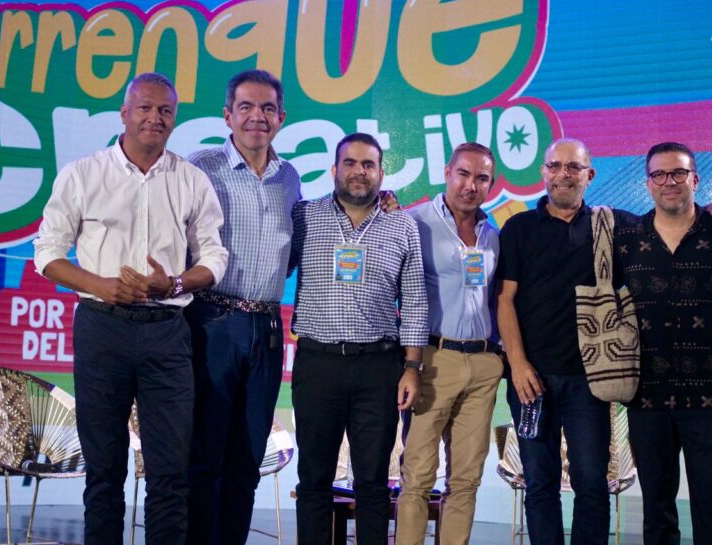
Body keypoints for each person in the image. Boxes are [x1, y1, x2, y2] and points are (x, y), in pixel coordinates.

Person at [33, 72, 228, 545]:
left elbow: (214, 257)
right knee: (103, 471)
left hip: (168, 331)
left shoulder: (191, 180)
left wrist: (174, 283)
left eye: (165, 110)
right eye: (144, 108)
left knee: (170, 472)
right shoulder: (83, 174)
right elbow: (47, 253)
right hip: (102, 328)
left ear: (174, 119)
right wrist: (100, 285)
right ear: (124, 113)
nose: (154, 118)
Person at [289, 132, 428, 545]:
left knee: (373, 482)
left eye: (368, 164)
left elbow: (415, 301)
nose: (359, 171)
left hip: (378, 367)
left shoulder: (402, 225)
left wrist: (412, 366)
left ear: (382, 173)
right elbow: (276, 264)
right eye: (350, 163)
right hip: (318, 364)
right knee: (314, 479)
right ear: (334, 169)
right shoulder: (304, 217)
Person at [183, 69, 301, 545]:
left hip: (267, 329)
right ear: (227, 115)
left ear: (281, 117)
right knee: (205, 454)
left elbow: (294, 250)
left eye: (268, 108)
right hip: (212, 321)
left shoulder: (289, 177)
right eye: (246, 107)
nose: (257, 116)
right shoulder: (201, 167)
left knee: (248, 457)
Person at [613, 142, 712, 545]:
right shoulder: (626, 238)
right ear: (648, 183)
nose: (668, 181)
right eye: (659, 174)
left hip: (707, 392)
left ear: (695, 180)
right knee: (657, 507)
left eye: (678, 173)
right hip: (646, 393)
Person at [495, 138, 611, 545]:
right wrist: (518, 364)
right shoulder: (519, 229)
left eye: (574, 167)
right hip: (531, 380)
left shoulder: (609, 227)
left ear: (589, 175)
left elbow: (667, 217)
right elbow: (504, 299)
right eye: (555, 166)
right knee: (540, 482)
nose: (564, 174)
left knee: (591, 481)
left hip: (589, 381)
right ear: (543, 172)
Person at [397, 143, 502, 545]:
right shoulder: (413, 222)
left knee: (467, 479)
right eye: (464, 174)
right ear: (447, 172)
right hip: (433, 359)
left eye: (482, 178)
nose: (471, 185)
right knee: (418, 477)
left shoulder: (493, 234)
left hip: (483, 364)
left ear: (490, 184)